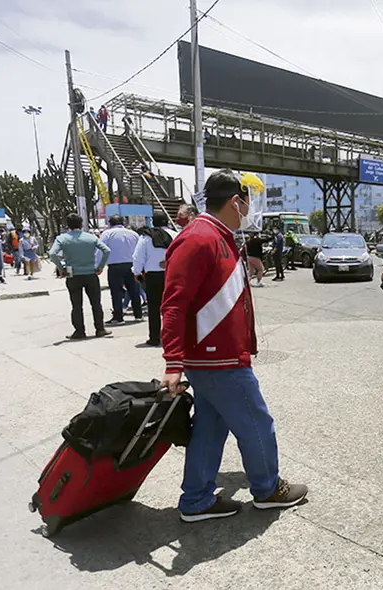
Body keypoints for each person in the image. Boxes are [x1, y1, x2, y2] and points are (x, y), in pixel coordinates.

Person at [160, 168, 307, 523]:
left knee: (210, 429)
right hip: (217, 360)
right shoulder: (199, 238)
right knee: (257, 422)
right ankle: (268, 489)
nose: (249, 209)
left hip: (217, 357)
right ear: (234, 201)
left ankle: (196, 500)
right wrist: (173, 362)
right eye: (247, 201)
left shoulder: (219, 236)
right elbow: (174, 303)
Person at [49, 213, 112, 340]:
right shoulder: (91, 237)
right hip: (91, 273)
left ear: (68, 225)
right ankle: (100, 329)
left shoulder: (62, 238)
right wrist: (100, 266)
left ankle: (79, 331)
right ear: (81, 224)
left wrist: (62, 269)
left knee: (76, 305)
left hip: (73, 275)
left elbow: (52, 254)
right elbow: (106, 250)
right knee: (96, 303)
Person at [132, 214, 177, 346]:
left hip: (153, 277)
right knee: (173, 307)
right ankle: (173, 337)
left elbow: (138, 256)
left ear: (152, 222)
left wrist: (137, 272)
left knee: (154, 308)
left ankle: (155, 337)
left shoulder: (146, 237)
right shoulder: (176, 234)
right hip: (172, 275)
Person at [100, 215, 143, 325]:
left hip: (115, 266)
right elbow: (140, 249)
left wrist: (99, 266)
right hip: (131, 265)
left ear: (110, 223)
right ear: (123, 222)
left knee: (116, 292)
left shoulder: (107, 234)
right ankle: (138, 315)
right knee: (134, 290)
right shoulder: (133, 234)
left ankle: (118, 317)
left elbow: (101, 250)